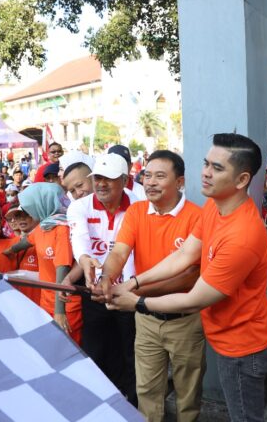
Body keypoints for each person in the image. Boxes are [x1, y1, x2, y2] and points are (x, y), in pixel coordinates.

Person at [109, 134, 267, 422]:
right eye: (206, 163)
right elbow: (184, 255)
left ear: (241, 180)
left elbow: (195, 297)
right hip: (226, 337)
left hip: (243, 347)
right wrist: (132, 283)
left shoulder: (243, 235)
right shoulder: (215, 205)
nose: (206, 172)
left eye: (217, 168)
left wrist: (137, 302)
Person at [99, 150, 204, 421]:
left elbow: (190, 276)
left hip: (185, 320)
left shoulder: (197, 217)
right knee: (147, 391)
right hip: (145, 320)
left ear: (180, 182)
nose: (150, 182)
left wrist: (134, 293)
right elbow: (119, 253)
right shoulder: (136, 212)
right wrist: (106, 279)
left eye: (160, 176)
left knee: (187, 394)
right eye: (147, 175)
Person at [66, 153, 139, 404]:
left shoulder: (140, 205)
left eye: (108, 178)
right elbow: (80, 240)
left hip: (130, 293)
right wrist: (85, 260)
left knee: (131, 353)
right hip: (94, 291)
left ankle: (134, 408)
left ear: (125, 181)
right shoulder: (79, 206)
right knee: (96, 351)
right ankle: (98, 404)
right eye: (97, 178)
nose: (101, 184)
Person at [13, 183, 82, 344]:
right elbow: (26, 242)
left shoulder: (62, 229)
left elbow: (62, 268)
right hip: (46, 302)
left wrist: (60, 312)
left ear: (43, 204)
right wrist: (5, 252)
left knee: (68, 351)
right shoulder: (44, 226)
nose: (29, 212)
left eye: (31, 207)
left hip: (65, 305)